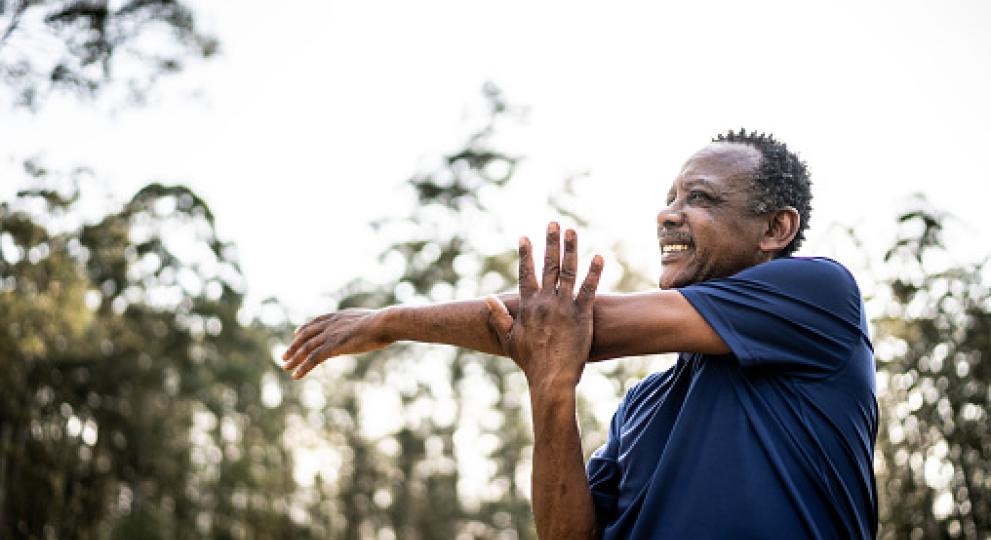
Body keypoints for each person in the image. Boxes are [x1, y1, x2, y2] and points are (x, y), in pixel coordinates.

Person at [282, 129, 878, 539]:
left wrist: (387, 322)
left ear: (775, 229)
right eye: (669, 198)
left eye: (700, 199)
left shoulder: (819, 296)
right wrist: (551, 390)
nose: (668, 213)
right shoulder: (642, 406)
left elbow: (577, 324)